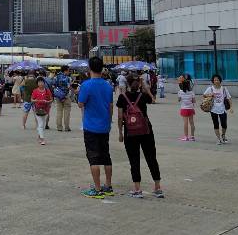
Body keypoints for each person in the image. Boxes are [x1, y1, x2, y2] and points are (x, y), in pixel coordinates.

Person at [117, 75, 163, 198]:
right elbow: (152, 99)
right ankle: (157, 187)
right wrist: (144, 87)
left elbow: (120, 117)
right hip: (146, 131)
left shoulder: (122, 97)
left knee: (134, 159)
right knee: (151, 158)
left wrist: (120, 132)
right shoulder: (143, 96)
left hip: (130, 133)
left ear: (127, 83)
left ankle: (137, 189)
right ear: (138, 84)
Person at [78, 57, 114, 199]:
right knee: (106, 156)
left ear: (90, 68)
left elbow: (81, 104)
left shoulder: (87, 85)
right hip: (105, 126)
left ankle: (97, 189)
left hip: (91, 126)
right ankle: (108, 186)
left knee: (93, 158)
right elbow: (111, 107)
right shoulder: (108, 86)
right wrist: (109, 122)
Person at [204, 74, 232, 145]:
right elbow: (204, 95)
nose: (216, 81)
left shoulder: (224, 89)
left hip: (222, 109)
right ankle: (218, 138)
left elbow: (229, 98)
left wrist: (231, 107)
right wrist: (210, 95)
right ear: (213, 81)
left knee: (224, 124)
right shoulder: (210, 88)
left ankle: (223, 135)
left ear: (220, 80)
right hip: (213, 109)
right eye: (215, 80)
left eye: (217, 80)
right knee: (216, 124)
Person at [31, 77, 53, 145]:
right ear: (37, 83)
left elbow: (51, 99)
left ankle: (39, 136)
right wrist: (37, 100)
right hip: (37, 109)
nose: (41, 83)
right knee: (40, 124)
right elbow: (32, 99)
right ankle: (43, 139)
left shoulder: (47, 91)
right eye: (39, 82)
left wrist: (47, 101)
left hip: (46, 109)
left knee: (43, 125)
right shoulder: (35, 91)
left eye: (42, 82)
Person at [53, 67, 72, 132]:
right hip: (66, 96)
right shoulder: (68, 78)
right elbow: (69, 87)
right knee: (67, 112)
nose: (69, 72)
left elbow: (54, 85)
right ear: (65, 71)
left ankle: (59, 127)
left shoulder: (56, 77)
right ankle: (67, 127)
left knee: (59, 111)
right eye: (68, 71)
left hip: (58, 96)